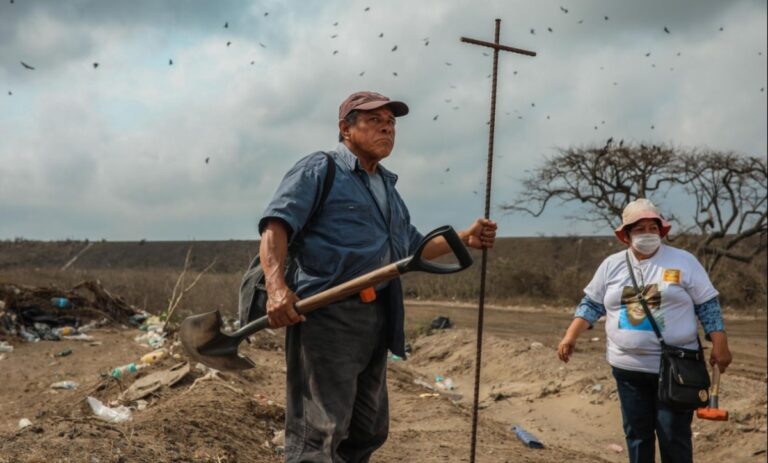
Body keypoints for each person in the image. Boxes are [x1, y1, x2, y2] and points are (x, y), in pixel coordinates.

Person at [258, 90, 497, 462]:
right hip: (328, 315)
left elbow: (411, 248)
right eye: (374, 121)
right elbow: (276, 227)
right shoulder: (321, 169)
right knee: (319, 433)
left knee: (367, 429)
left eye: (391, 124)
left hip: (377, 318)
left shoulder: (386, 186)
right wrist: (276, 288)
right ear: (345, 128)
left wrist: (465, 238)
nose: (386, 129)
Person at [557, 198, 732, 463]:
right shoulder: (611, 265)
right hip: (628, 369)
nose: (648, 234)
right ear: (626, 236)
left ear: (661, 232)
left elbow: (707, 304)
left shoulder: (683, 261)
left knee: (673, 435)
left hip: (675, 369)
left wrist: (720, 343)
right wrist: (571, 336)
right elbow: (591, 304)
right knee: (637, 436)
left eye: (653, 228)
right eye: (640, 229)